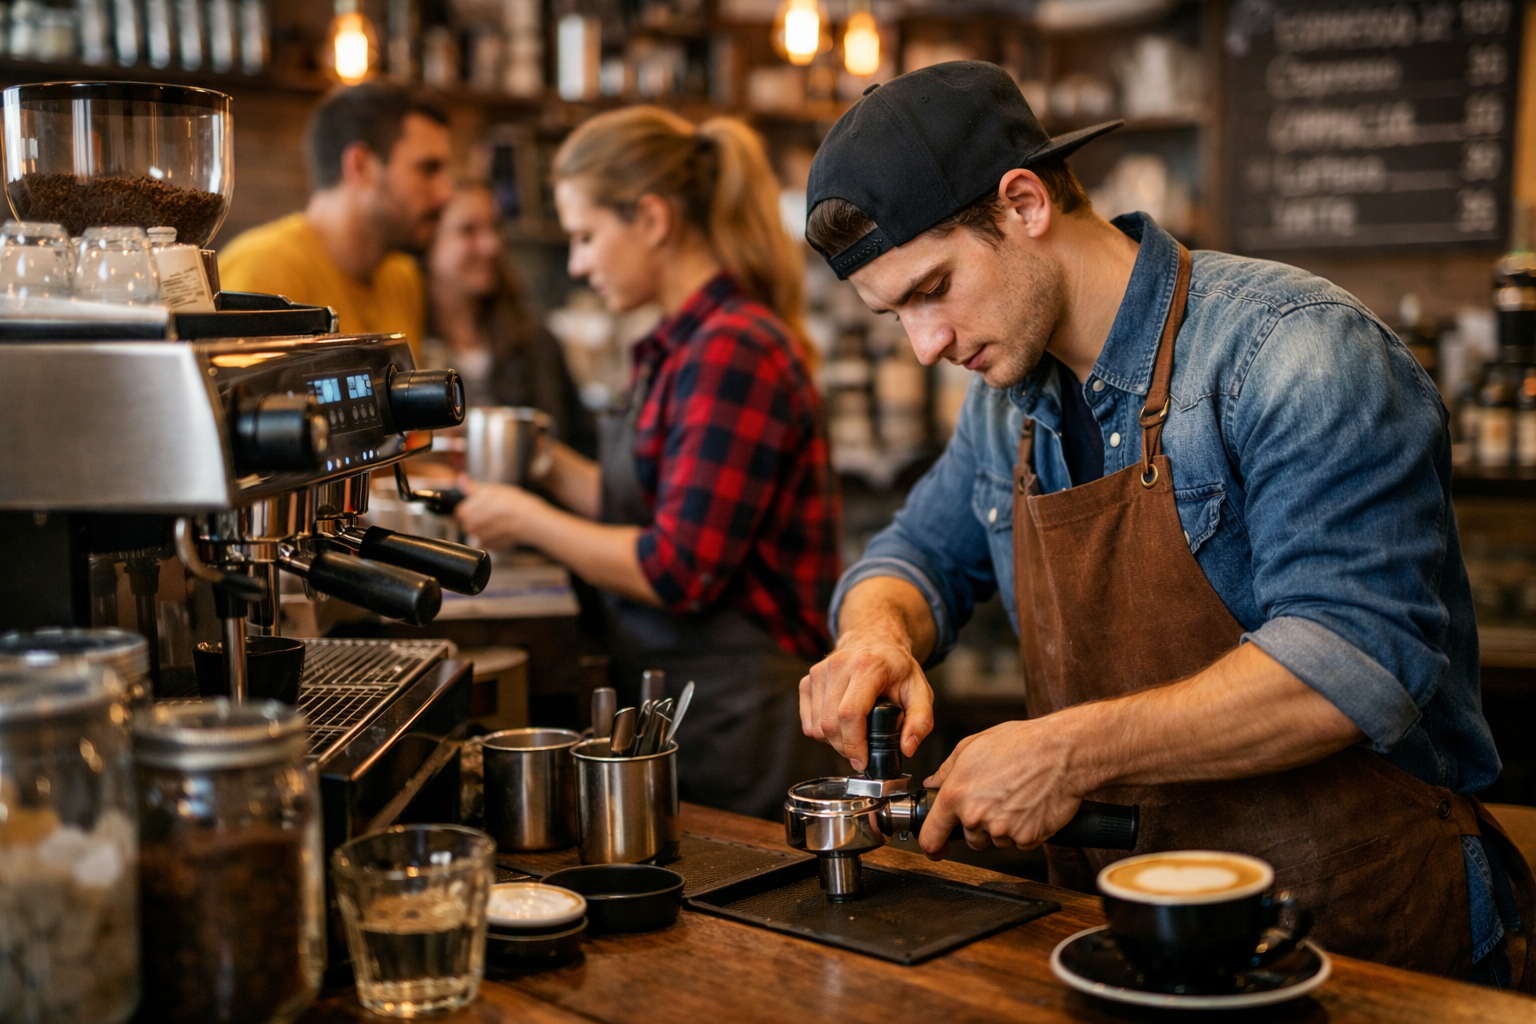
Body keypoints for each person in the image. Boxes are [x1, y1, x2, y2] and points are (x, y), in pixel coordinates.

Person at [796, 61, 1533, 987]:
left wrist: (1068, 751)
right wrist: (874, 635)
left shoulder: (1295, 350)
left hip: (1358, 941)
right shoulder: (1008, 403)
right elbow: (913, 555)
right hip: (1122, 937)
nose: (927, 344)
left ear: (1024, 204)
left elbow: (1359, 661)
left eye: (932, 287)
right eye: (894, 312)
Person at [452, 107, 846, 820]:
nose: (576, 263)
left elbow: (679, 567)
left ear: (653, 219)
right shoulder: (682, 343)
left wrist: (529, 519)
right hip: (701, 702)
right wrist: (535, 461)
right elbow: (650, 502)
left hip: (747, 719)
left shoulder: (732, 349)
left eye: (585, 236)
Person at [219, 83, 453, 358]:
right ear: (361, 166)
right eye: (428, 169)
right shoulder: (264, 270)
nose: (445, 194)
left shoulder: (402, 277)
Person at [423, 183, 597, 454]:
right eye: (468, 230)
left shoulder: (535, 339)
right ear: (427, 238)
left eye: (494, 228)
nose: (490, 245)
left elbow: (581, 443)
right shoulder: (409, 339)